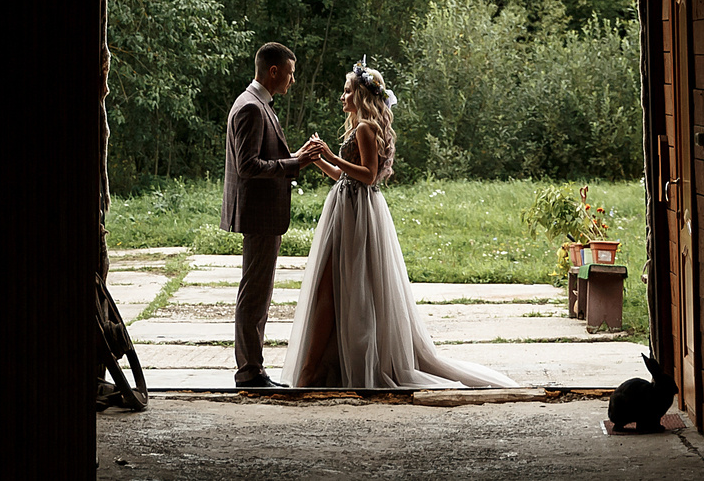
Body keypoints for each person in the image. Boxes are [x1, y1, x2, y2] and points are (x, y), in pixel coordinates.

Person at [287, 61, 518, 389]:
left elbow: (368, 175)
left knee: (343, 285)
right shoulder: (357, 128)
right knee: (334, 284)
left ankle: (318, 370)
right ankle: (318, 366)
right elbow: (344, 176)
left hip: (358, 212)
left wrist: (332, 155)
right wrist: (320, 160)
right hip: (347, 206)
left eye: (348, 91)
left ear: (362, 95)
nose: (342, 96)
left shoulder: (365, 128)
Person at [222, 42, 327, 389]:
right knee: (254, 296)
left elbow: (264, 158)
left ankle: (252, 369)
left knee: (257, 294)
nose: (292, 80)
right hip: (259, 216)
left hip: (262, 215)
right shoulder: (252, 108)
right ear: (274, 71)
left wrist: (297, 157)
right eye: (290, 73)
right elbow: (248, 166)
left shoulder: (256, 103)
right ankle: (249, 373)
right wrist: (294, 163)